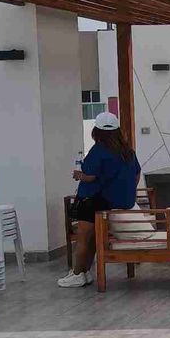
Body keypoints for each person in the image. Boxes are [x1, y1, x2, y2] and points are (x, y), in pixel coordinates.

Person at [58, 112, 141, 287]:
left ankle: (78, 274)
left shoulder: (98, 150)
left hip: (93, 201)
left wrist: (79, 175)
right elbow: (136, 174)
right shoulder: (128, 152)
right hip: (119, 202)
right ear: (117, 131)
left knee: (83, 239)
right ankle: (85, 272)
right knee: (93, 240)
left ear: (96, 131)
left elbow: (91, 176)